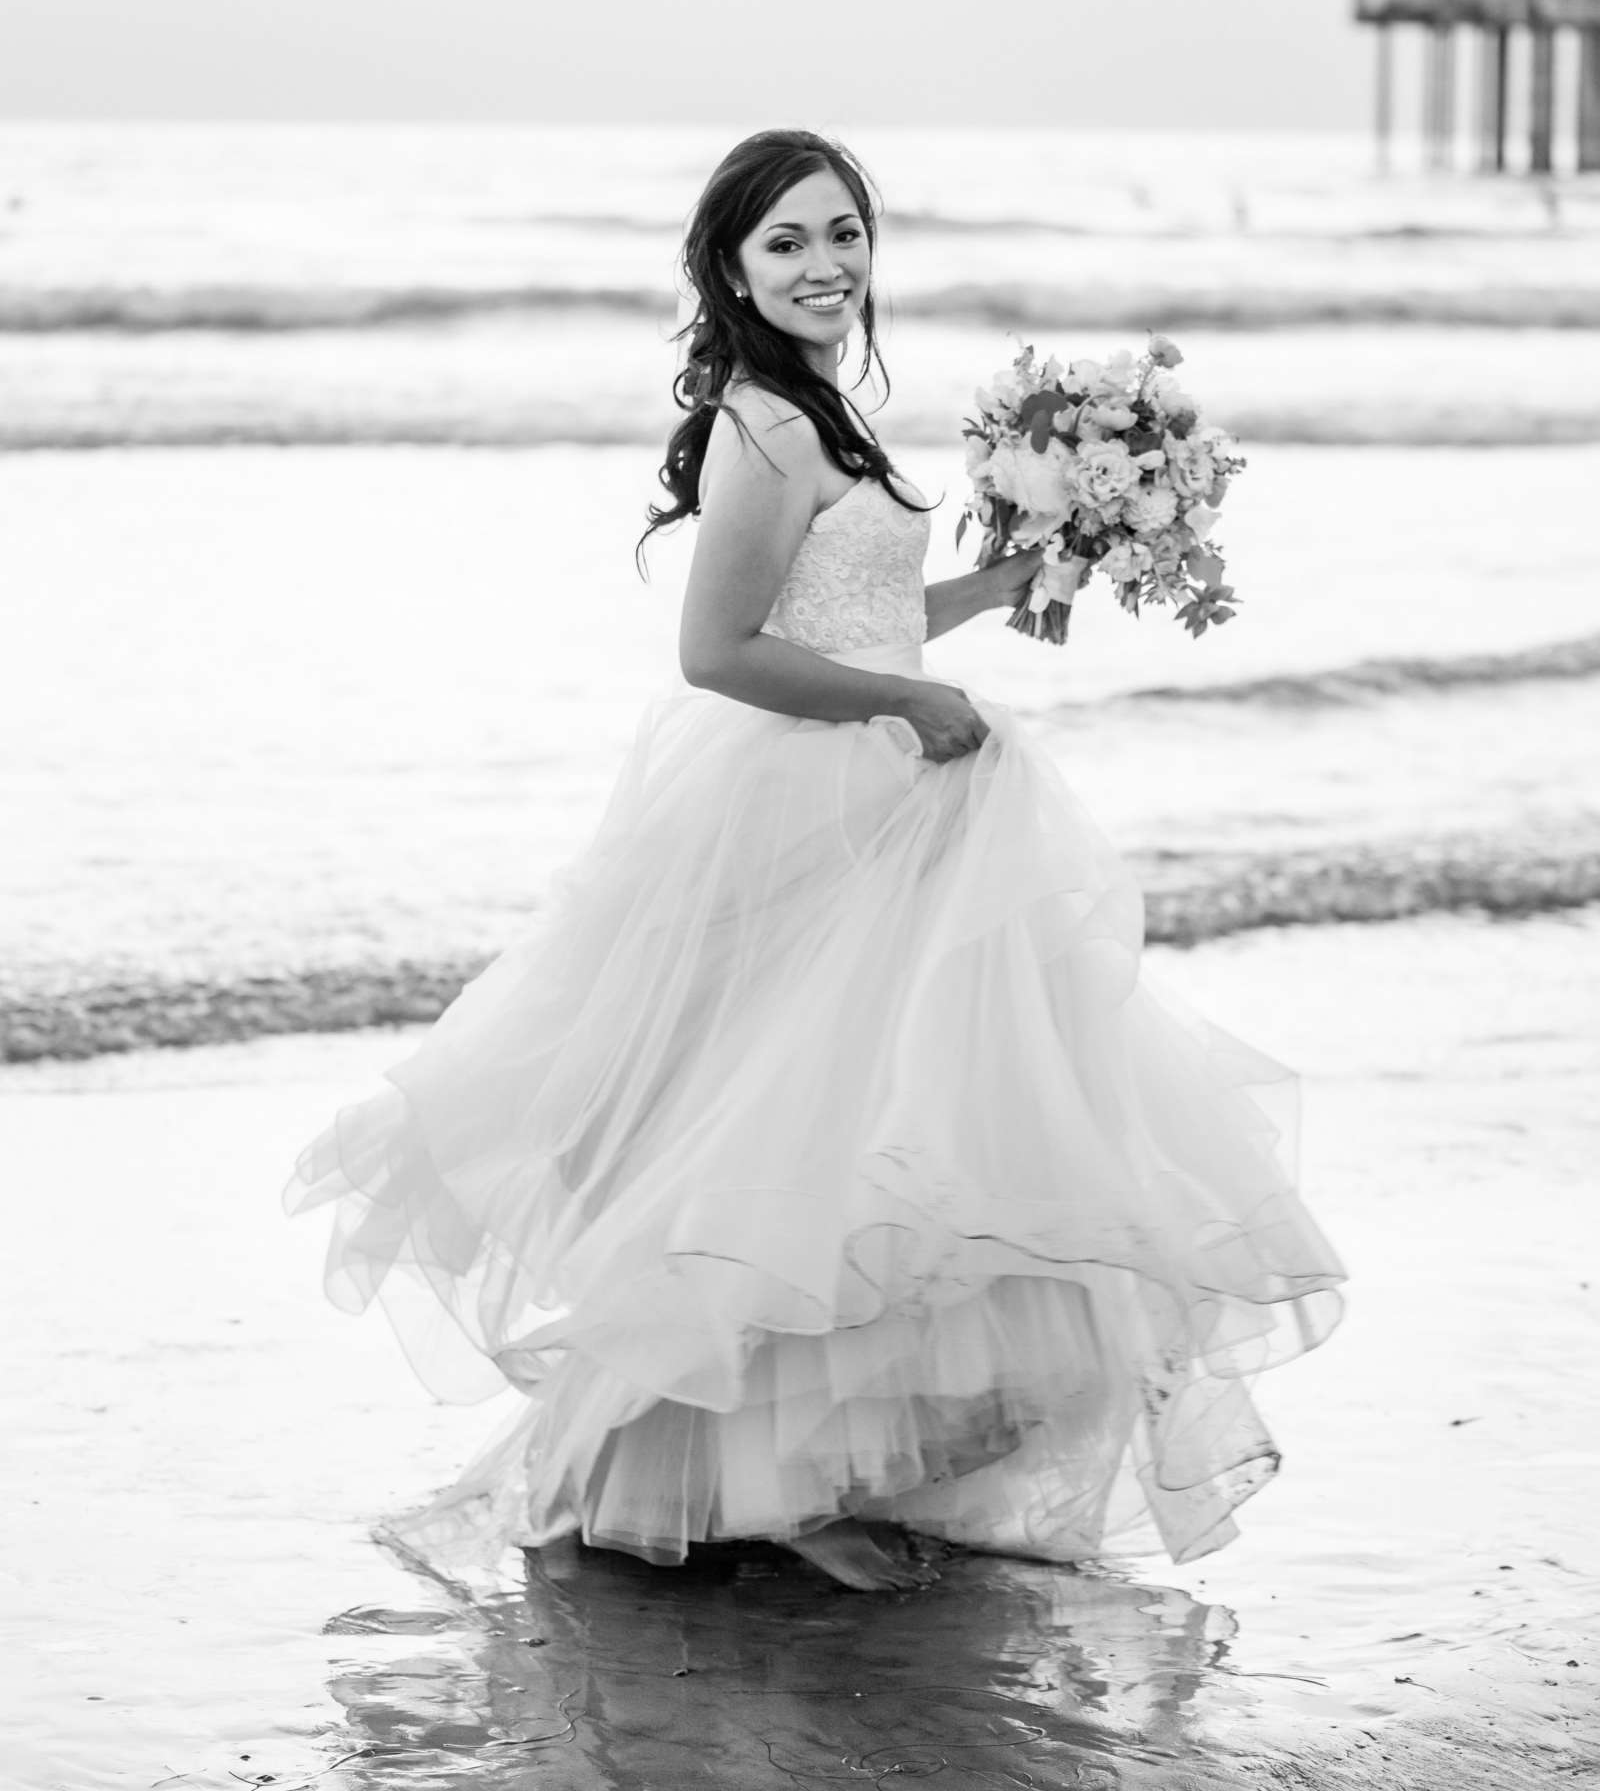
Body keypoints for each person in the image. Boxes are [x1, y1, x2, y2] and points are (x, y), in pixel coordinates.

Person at [286, 126, 1345, 1593]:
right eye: (785, 241)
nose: (823, 265)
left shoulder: (822, 413)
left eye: (844, 234)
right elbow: (718, 651)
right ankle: (750, 1478)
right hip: (803, 800)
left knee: (852, 1130)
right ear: (728, 266)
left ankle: (809, 1463)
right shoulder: (764, 426)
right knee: (775, 1128)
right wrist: (908, 703)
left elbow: (872, 617)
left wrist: (1030, 575)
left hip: (877, 791)